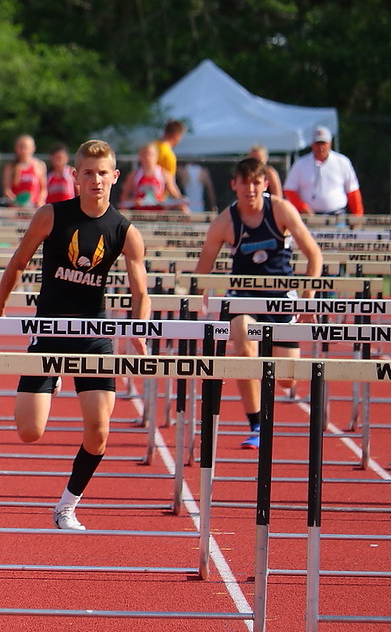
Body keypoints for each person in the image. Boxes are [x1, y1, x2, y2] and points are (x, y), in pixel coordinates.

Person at [0, 139, 152, 531]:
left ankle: (66, 506)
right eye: (87, 173)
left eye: (102, 173)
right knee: (29, 431)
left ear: (115, 176)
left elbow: (140, 291)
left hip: (94, 333)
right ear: (75, 177)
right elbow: (19, 261)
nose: (95, 180)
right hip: (49, 328)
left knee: (99, 431)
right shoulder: (51, 216)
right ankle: (53, 377)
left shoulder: (126, 231)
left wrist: (139, 329)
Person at [193, 157, 322, 448]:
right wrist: (195, 297)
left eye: (256, 182)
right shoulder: (226, 221)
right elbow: (203, 268)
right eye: (245, 183)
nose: (250, 189)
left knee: (287, 380)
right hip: (244, 297)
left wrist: (308, 301)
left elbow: (314, 255)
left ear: (264, 184)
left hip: (281, 299)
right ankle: (257, 424)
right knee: (242, 339)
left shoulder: (280, 209)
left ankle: (268, 382)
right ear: (234, 185)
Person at [283, 126, 363, 216]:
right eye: (318, 143)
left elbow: (353, 191)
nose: (321, 147)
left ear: (330, 143)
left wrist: (357, 216)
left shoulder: (342, 162)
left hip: (338, 216)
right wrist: (302, 207)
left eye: (323, 143)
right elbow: (289, 190)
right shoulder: (300, 164)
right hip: (309, 218)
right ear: (312, 144)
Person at [120, 142, 185, 211]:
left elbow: (176, 196)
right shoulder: (133, 175)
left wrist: (182, 204)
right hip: (139, 215)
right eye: (144, 154)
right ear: (140, 156)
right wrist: (134, 201)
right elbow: (123, 198)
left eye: (150, 154)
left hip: (159, 214)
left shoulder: (164, 174)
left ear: (156, 156)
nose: (147, 158)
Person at [2, 134, 47, 208]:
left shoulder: (39, 165)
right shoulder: (10, 167)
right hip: (16, 209)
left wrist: (40, 201)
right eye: (20, 147)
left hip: (34, 208)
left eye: (26, 147)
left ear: (33, 148)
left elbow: (43, 189)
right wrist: (16, 202)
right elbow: (7, 190)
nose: (23, 151)